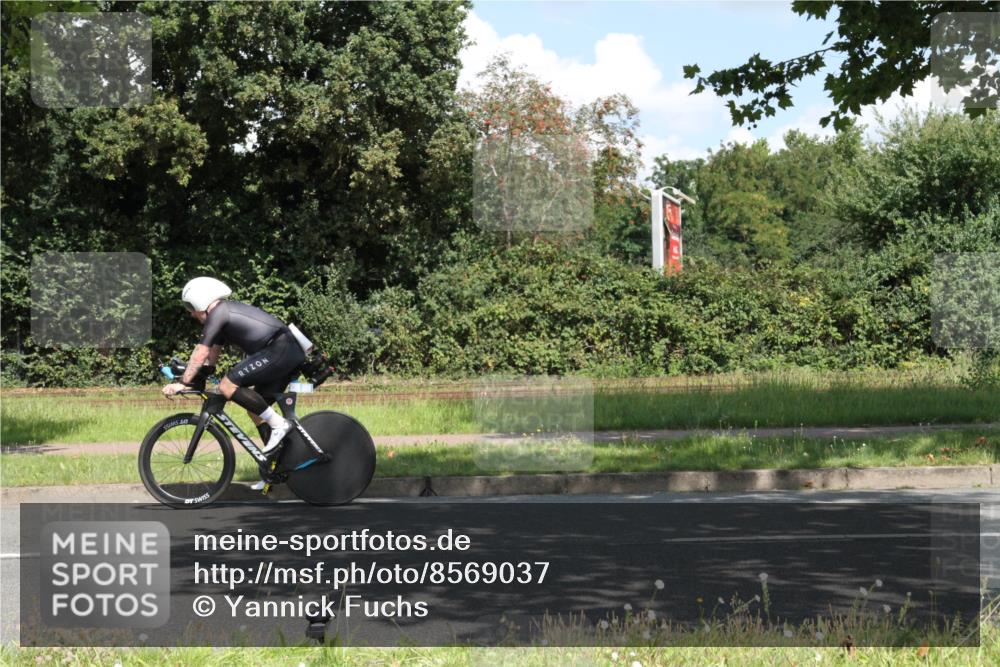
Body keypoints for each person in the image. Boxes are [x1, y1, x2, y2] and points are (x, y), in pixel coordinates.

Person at [162, 276, 305, 453]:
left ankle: (279, 425)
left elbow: (201, 352)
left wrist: (182, 383)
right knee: (255, 409)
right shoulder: (222, 315)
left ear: (201, 300)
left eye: (190, 307)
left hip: (280, 349)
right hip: (284, 351)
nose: (191, 313)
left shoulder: (219, 313)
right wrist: (203, 373)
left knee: (227, 385)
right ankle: (275, 466)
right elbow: (212, 354)